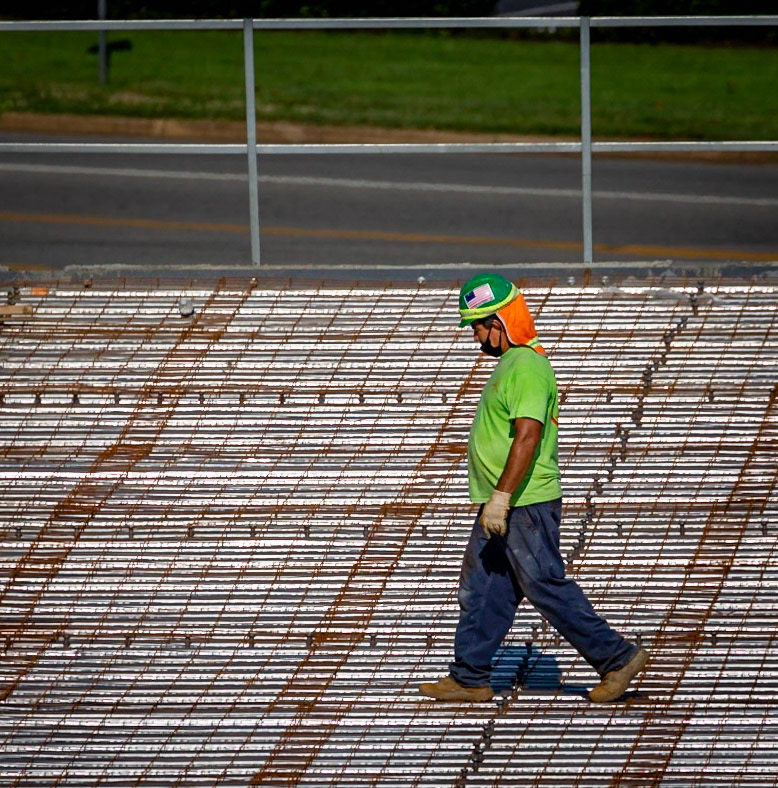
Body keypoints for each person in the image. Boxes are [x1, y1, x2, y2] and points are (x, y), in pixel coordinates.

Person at [419, 272, 648, 703]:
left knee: (542, 583)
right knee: (484, 588)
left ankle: (617, 657)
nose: (475, 338)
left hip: (523, 502)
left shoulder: (527, 365)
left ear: (499, 322)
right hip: (502, 503)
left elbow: (527, 435)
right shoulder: (511, 365)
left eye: (478, 327)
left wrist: (502, 497)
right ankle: (470, 677)